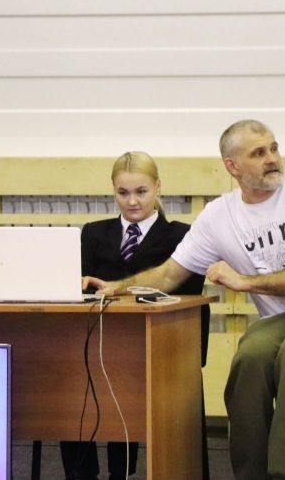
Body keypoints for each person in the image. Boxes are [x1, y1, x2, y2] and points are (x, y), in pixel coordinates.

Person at [84, 121, 285, 480]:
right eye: (258, 153)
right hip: (284, 323)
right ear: (233, 166)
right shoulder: (218, 216)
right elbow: (167, 275)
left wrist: (244, 281)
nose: (272, 158)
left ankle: (284, 475)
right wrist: (117, 286)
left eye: (273, 148)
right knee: (250, 357)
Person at [62, 151, 207, 480]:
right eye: (122, 193)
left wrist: (123, 289)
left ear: (158, 187)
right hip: (99, 344)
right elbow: (78, 288)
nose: (132, 202)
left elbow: (188, 293)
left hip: (159, 345)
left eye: (141, 192)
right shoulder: (93, 234)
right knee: (70, 384)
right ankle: (81, 474)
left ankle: (124, 473)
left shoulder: (182, 236)